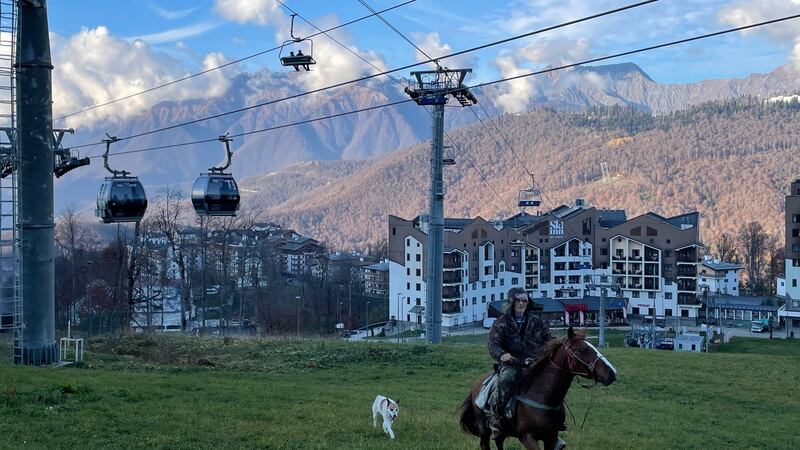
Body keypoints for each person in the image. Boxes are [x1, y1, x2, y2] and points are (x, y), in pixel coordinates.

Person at [487, 288, 563, 444]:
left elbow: (549, 339)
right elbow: (493, 343)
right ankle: (496, 418)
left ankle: (556, 425)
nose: (522, 303)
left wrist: (559, 345)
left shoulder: (536, 321)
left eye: (524, 301)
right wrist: (502, 354)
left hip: (535, 363)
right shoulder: (501, 322)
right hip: (512, 364)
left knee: (554, 385)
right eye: (519, 301)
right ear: (512, 302)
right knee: (505, 383)